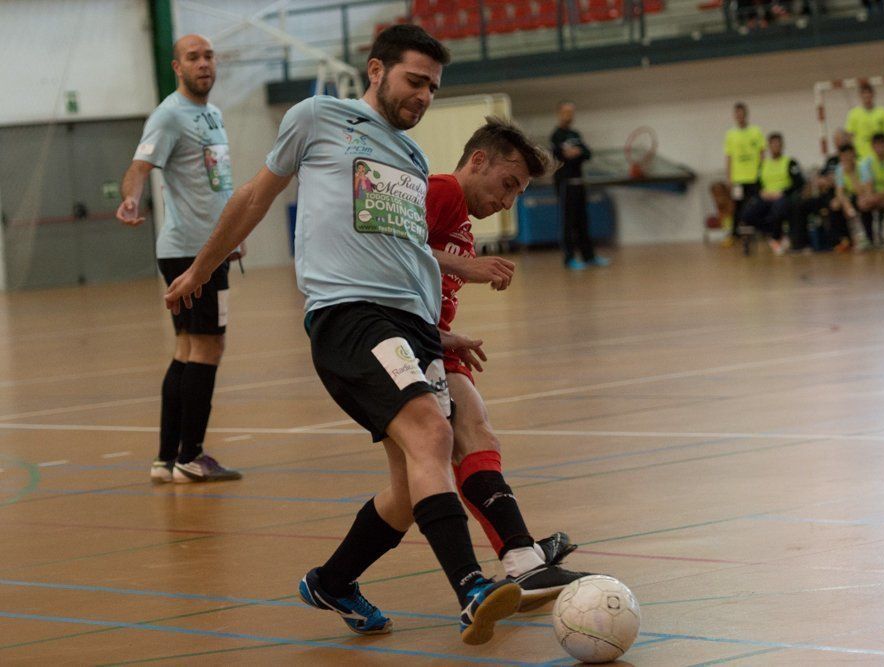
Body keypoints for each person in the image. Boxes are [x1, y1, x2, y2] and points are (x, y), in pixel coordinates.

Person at [164, 25, 520, 645]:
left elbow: (412, 250)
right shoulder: (318, 117)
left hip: (413, 326)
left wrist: (444, 332)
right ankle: (470, 586)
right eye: (415, 81)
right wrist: (203, 265)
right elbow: (255, 194)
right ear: (376, 70)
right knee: (432, 432)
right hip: (351, 314)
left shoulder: (411, 158)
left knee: (411, 485)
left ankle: (333, 581)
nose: (424, 97)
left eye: (434, 88)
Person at [425, 117, 588, 610]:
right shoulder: (442, 191)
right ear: (478, 161)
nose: (507, 202)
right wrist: (461, 268)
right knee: (463, 442)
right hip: (411, 343)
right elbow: (387, 253)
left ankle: (521, 552)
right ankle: (521, 557)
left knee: (461, 445)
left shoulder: (463, 225)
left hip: (433, 342)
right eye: (507, 185)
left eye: (518, 192)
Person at [116, 34, 242, 484]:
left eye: (208, 56)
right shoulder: (170, 115)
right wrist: (131, 199)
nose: (204, 64)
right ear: (177, 67)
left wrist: (233, 235)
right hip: (192, 251)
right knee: (209, 346)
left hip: (209, 246)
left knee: (188, 348)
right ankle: (191, 456)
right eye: (194, 57)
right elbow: (139, 166)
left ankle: (166, 458)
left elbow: (217, 186)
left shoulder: (212, 115)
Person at [550, 101, 609, 270]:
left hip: (579, 183)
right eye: (566, 112)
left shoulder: (576, 134)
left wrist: (578, 152)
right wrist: (573, 153)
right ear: (559, 113)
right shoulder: (556, 135)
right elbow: (562, 155)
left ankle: (589, 256)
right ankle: (569, 258)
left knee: (583, 221)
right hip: (565, 184)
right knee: (568, 222)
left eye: (572, 112)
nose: (569, 115)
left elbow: (587, 153)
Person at [739, 132, 804, 255]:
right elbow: (757, 184)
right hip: (766, 197)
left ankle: (776, 237)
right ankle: (772, 233)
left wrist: (783, 192)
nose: (775, 147)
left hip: (782, 196)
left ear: (782, 146)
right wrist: (761, 192)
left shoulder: (790, 162)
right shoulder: (763, 164)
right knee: (747, 214)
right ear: (769, 146)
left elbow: (799, 183)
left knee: (778, 209)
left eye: (778, 144)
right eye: (773, 145)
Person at [790, 128, 850, 251]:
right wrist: (820, 181)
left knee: (833, 206)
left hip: (841, 194)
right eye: (836, 140)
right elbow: (821, 177)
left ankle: (835, 242)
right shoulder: (831, 160)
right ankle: (801, 244)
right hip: (825, 193)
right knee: (800, 205)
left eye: (840, 140)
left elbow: (844, 177)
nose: (838, 143)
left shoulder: (850, 157)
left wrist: (831, 181)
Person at [723, 102, 766, 243]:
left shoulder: (756, 131)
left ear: (745, 114)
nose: (739, 116)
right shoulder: (731, 134)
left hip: (753, 177)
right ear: (734, 116)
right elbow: (728, 157)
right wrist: (729, 177)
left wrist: (762, 173)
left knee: (755, 205)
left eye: (742, 113)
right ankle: (736, 233)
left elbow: (762, 153)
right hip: (738, 178)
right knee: (738, 205)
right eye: (737, 114)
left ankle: (756, 231)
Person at [845, 82, 884, 162]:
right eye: (864, 93)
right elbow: (849, 137)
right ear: (860, 96)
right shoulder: (853, 113)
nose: (866, 96)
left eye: (868, 93)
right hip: (861, 156)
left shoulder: (882, 112)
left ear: (873, 94)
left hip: (879, 156)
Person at [831, 144, 862, 252]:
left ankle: (861, 237)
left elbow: (860, 191)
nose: (846, 159)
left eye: (849, 155)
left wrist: (851, 173)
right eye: (843, 156)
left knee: (860, 203)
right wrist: (846, 204)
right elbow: (839, 191)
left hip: (860, 195)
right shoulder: (840, 169)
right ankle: (844, 239)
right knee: (835, 204)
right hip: (847, 197)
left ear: (853, 154)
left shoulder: (861, 166)